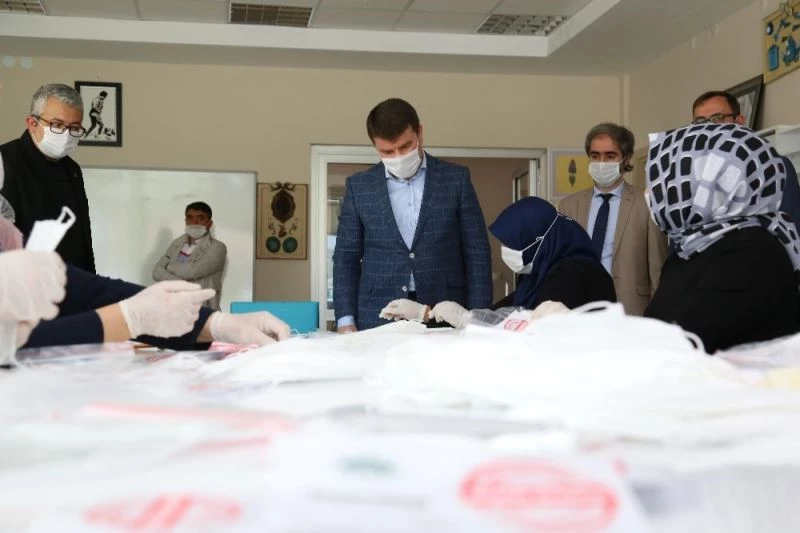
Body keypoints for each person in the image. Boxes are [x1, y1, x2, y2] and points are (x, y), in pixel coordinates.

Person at [333, 98, 492, 332]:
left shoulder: (455, 179)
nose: (398, 156)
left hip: (445, 309)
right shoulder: (360, 187)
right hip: (377, 313)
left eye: (406, 146)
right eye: (387, 151)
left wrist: (478, 318)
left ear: (420, 132)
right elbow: (346, 257)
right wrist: (346, 321)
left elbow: (476, 251)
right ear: (375, 146)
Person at [644, 123, 800, 353]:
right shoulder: (695, 243)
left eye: (666, 180)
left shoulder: (750, 253)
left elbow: (683, 338)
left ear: (707, 184)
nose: (652, 193)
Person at [380, 196, 616, 328]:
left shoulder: (576, 272)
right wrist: (425, 313)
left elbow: (524, 328)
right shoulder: (538, 275)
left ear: (541, 240)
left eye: (514, 244)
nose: (507, 251)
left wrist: (465, 319)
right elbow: (493, 315)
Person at [558, 123, 668, 316]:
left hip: (630, 308)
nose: (601, 162)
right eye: (595, 156)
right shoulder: (569, 205)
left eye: (610, 156)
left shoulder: (646, 203)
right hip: (579, 307)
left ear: (627, 158)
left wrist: (658, 314)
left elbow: (657, 267)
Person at [0, 83, 95, 273]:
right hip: (22, 279)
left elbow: (82, 236)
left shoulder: (73, 170)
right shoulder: (5, 161)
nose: (66, 134)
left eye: (75, 127)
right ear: (32, 123)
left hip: (72, 278)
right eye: (57, 125)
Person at [691, 90, 800, 234]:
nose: (708, 127)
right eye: (700, 122)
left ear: (739, 122)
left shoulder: (775, 167)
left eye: (717, 118)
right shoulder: (688, 177)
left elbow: (792, 226)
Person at [153, 201, 227, 310]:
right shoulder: (176, 243)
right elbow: (156, 272)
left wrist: (168, 266)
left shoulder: (218, 247)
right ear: (186, 221)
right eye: (190, 217)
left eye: (200, 218)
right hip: (172, 308)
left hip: (202, 309)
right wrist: (182, 284)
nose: (194, 222)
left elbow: (192, 271)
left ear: (209, 223)